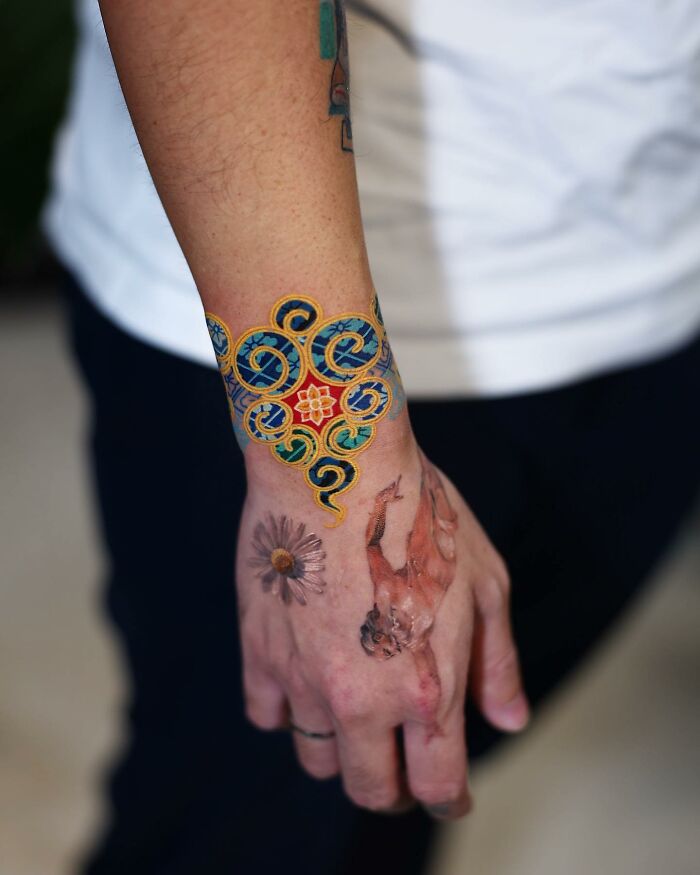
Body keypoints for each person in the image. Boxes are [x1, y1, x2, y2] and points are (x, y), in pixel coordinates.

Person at [45, 1, 700, 874]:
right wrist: (337, 474)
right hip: (313, 327)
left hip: (651, 270)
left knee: (392, 797)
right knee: (242, 830)